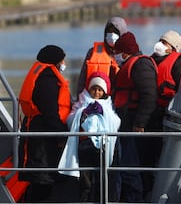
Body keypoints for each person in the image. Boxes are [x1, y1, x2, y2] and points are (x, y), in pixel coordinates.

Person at [17, 45, 79, 203]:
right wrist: (60, 135)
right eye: (62, 60)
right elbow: (50, 111)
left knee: (41, 181)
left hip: (39, 132)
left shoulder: (44, 75)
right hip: (43, 138)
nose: (63, 63)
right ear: (55, 61)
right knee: (42, 180)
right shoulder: (48, 80)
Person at [140, 30, 181, 200]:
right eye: (160, 40)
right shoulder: (150, 60)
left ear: (173, 48)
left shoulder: (178, 64)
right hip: (150, 116)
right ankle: (146, 188)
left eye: (165, 42)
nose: (160, 44)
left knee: (162, 155)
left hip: (167, 116)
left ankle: (160, 189)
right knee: (146, 155)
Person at [58, 71, 121, 202]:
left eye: (99, 90)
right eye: (94, 89)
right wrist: (83, 113)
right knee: (85, 180)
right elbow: (70, 119)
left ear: (104, 92)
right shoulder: (81, 102)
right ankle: (85, 200)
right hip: (84, 146)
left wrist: (104, 113)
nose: (96, 93)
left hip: (102, 148)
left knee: (101, 179)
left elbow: (116, 122)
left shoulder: (108, 105)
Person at [111, 31, 158, 202]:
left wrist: (140, 123)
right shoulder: (132, 64)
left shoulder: (140, 65)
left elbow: (149, 95)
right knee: (126, 166)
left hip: (133, 125)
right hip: (126, 123)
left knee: (130, 167)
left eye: (116, 53)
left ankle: (135, 199)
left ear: (124, 53)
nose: (114, 56)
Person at [76, 16, 128, 96]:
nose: (112, 35)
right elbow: (82, 80)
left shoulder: (127, 53)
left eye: (116, 32)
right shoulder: (92, 52)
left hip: (119, 100)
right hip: (96, 99)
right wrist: (79, 99)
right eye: (109, 32)